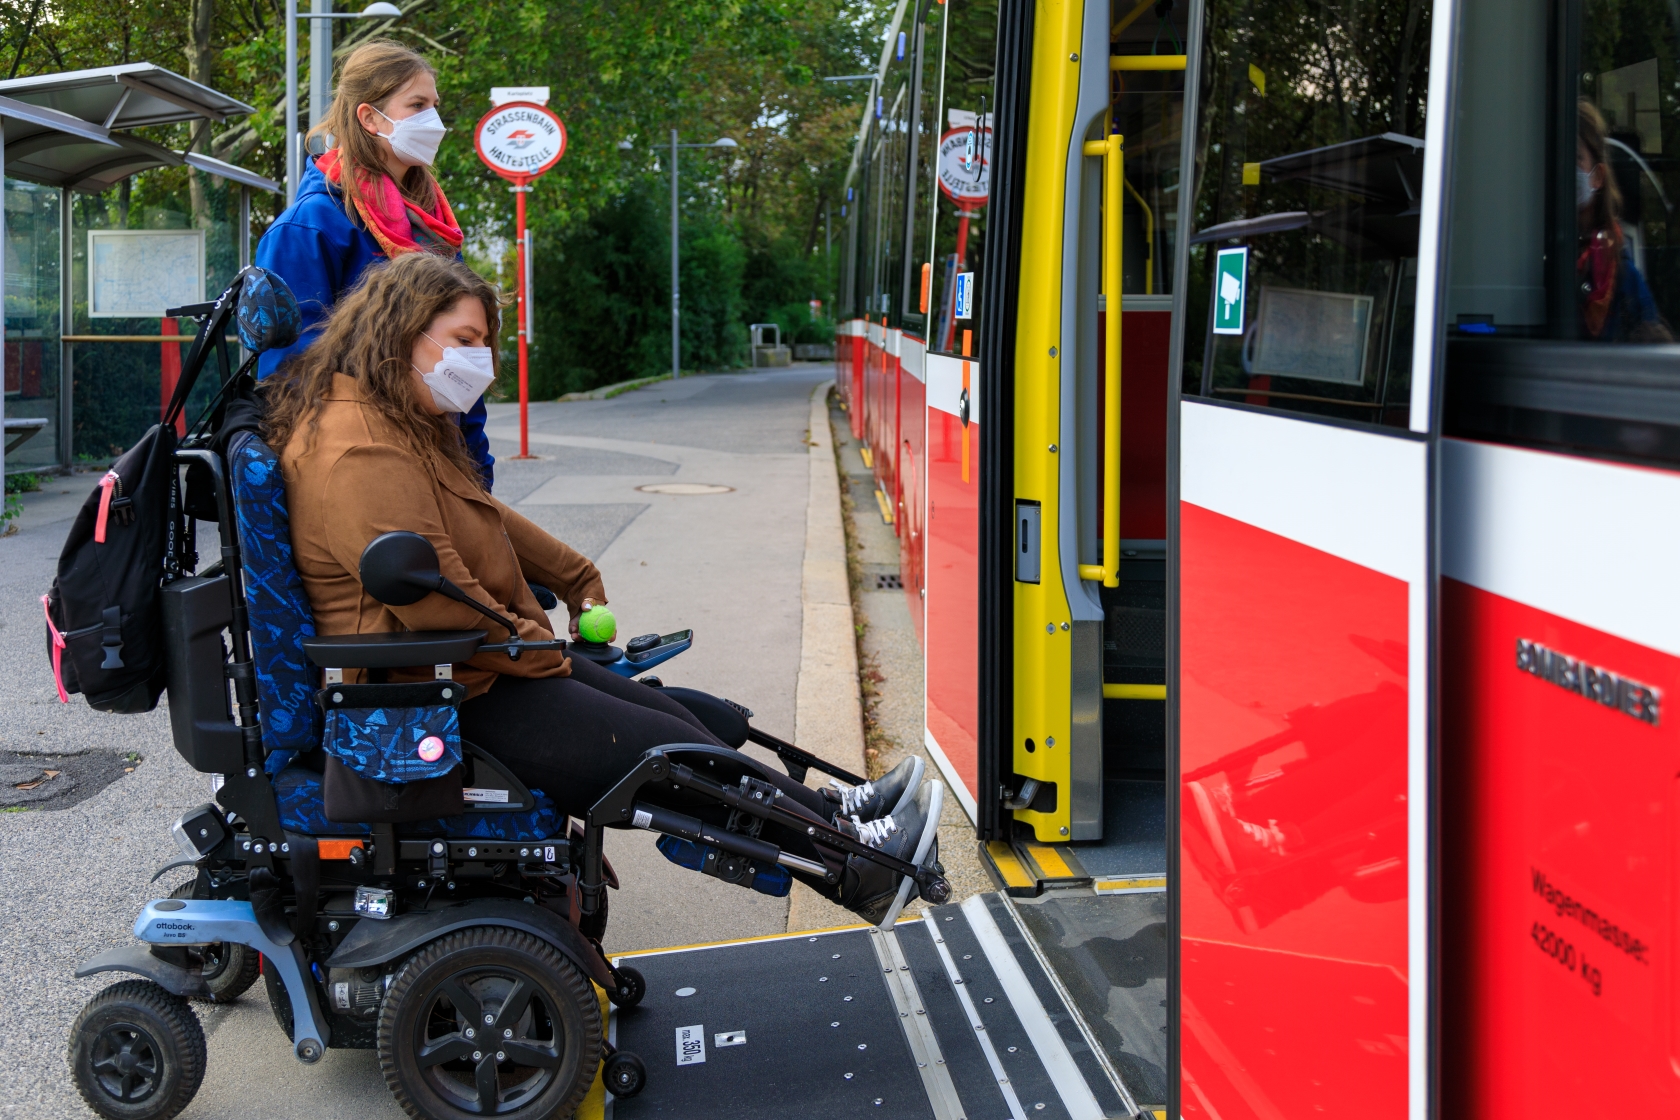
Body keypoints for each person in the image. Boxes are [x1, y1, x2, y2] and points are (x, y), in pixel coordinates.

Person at [262, 251, 932, 919]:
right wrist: (534, 646)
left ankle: (838, 813)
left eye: (484, 344)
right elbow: (436, 597)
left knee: (677, 719)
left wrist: (575, 578)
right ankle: (858, 866)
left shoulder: (388, 421)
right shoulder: (359, 453)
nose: (480, 362)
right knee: (659, 756)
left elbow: (480, 514)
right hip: (432, 698)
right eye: (464, 342)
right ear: (402, 331)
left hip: (470, 672)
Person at [254, 39, 494, 488]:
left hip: (444, 454)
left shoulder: (436, 228)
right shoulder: (310, 226)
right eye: (417, 105)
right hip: (360, 464)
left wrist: (476, 466)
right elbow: (290, 376)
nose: (434, 121)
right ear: (369, 117)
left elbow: (464, 357)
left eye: (435, 106)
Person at [1577, 100, 1671, 342]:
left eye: (1575, 159)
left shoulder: (1622, 275)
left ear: (1597, 177)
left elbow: (1652, 355)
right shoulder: (1532, 257)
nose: (1563, 171)